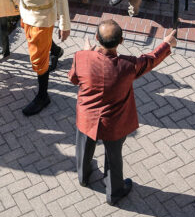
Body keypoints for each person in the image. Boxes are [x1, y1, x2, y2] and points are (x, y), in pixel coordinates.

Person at [70, 21, 176, 204]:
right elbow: (151, 59)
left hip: (87, 118)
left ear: (96, 38)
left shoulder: (81, 57)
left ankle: (83, 177)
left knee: (84, 147)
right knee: (113, 157)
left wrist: (87, 53)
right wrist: (166, 43)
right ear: (121, 40)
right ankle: (114, 192)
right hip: (114, 123)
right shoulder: (128, 66)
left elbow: (73, 79)